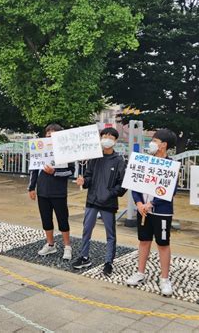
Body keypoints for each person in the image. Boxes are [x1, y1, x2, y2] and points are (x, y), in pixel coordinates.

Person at [126, 129, 178, 296]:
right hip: (143, 211)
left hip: (162, 212)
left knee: (163, 244)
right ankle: (140, 272)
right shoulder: (145, 162)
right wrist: (139, 203)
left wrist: (153, 203)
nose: (152, 143)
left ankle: (165, 278)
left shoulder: (171, 166)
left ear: (164, 145)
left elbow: (171, 191)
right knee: (143, 241)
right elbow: (135, 185)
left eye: (155, 140)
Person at [72, 127, 127, 275]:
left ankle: (108, 262)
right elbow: (89, 177)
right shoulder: (94, 157)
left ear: (115, 140)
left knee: (110, 234)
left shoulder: (119, 160)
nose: (107, 138)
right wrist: (84, 181)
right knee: (86, 230)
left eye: (111, 136)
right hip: (92, 200)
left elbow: (123, 184)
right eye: (104, 135)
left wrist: (110, 193)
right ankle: (84, 257)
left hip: (108, 203)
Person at [28, 124, 75, 260]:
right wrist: (31, 187)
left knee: (62, 219)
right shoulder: (40, 149)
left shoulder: (65, 152)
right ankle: (50, 244)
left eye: (53, 135)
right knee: (46, 219)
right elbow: (34, 169)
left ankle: (67, 246)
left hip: (59, 192)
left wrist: (54, 172)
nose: (49, 137)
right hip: (43, 191)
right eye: (48, 135)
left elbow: (71, 171)